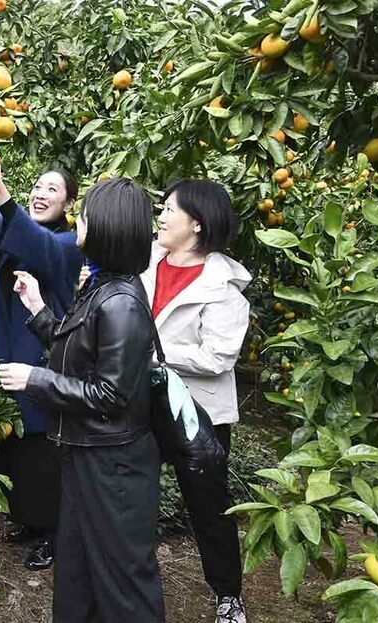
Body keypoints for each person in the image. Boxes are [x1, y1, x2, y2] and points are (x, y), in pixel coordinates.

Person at [0, 178, 164, 622]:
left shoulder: (123, 304)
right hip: (88, 455)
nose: (80, 223)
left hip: (114, 467)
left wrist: (36, 380)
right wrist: (38, 311)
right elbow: (76, 350)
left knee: (122, 582)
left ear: (108, 229)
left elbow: (109, 393)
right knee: (78, 571)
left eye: (86, 216)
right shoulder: (102, 288)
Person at [0, 150, 83, 571]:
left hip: (41, 357)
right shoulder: (18, 238)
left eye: (51, 189)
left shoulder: (69, 245)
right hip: (5, 351)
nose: (39, 193)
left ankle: (54, 532)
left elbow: (39, 250)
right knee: (10, 446)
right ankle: (30, 521)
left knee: (42, 452)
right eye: (36, 186)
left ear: (68, 203)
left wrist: (1, 190)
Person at [144, 179, 251, 623]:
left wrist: (154, 354)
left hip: (197, 410)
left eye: (170, 209)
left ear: (197, 225)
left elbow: (218, 356)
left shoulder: (223, 285)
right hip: (142, 402)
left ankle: (228, 594)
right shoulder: (145, 262)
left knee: (208, 506)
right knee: (132, 491)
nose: (162, 216)